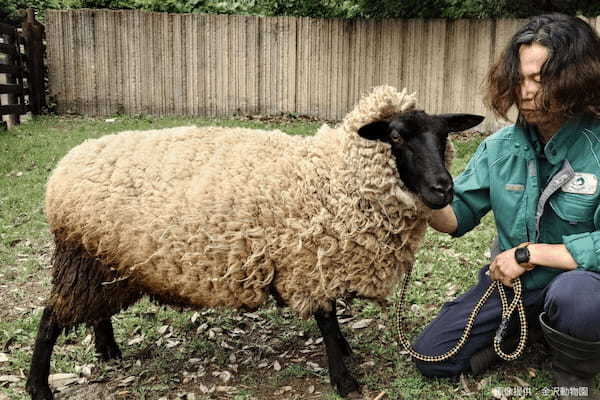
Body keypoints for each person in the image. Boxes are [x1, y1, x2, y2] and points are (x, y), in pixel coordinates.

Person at [412, 13, 600, 400]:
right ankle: (527, 331)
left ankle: (574, 371)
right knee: (432, 356)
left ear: (577, 78)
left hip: (581, 282)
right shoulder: (499, 149)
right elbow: (455, 218)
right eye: (520, 78)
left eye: (540, 78)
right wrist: (422, 191)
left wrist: (531, 252)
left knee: (576, 300)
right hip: (515, 283)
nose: (526, 92)